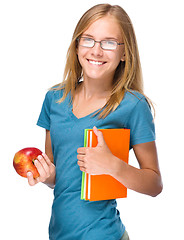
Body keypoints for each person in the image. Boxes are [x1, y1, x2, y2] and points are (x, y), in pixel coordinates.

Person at [27, 4, 163, 240]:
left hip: (105, 234)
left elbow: (155, 185)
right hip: (58, 235)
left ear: (124, 53)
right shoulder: (54, 99)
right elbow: (61, 178)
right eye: (88, 39)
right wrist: (47, 177)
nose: (97, 51)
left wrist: (113, 166)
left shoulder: (133, 105)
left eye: (109, 42)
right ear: (77, 45)